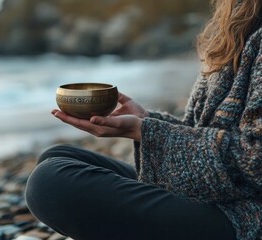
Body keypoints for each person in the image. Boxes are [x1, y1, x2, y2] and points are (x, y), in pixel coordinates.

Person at [24, 0, 262, 239]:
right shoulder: (241, 19)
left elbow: (255, 159)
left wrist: (145, 131)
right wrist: (146, 118)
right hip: (220, 192)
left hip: (244, 219)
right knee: (58, 156)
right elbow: (202, 131)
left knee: (49, 184)